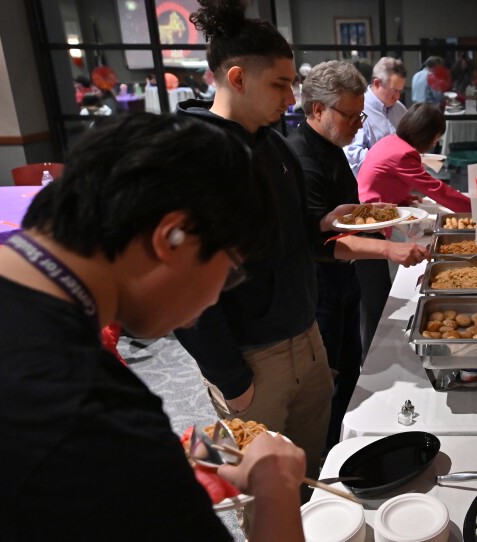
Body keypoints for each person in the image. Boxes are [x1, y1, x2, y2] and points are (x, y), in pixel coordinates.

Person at [0, 113, 307, 541]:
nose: (215, 299)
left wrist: (170, 471)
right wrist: (277, 487)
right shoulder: (92, 414)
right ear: (171, 236)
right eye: (230, 272)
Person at [173, 0, 348, 501]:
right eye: (280, 84)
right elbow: (184, 287)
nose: (292, 98)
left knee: (311, 473)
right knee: (262, 491)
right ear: (237, 78)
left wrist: (323, 224)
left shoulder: (273, 144)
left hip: (305, 337)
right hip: (252, 359)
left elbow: (289, 237)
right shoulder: (194, 156)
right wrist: (230, 378)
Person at [285, 60, 429, 449]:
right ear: (318, 109)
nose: (357, 124)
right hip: (319, 290)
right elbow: (322, 241)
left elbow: (343, 216)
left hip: (344, 281)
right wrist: (389, 248)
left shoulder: (332, 147)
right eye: (350, 115)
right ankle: (330, 456)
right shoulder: (302, 158)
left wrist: (378, 211)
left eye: (360, 115)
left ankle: (345, 444)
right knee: (328, 383)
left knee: (351, 369)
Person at [358, 102, 471, 213]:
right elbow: (435, 188)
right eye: (436, 138)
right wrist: (474, 208)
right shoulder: (404, 154)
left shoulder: (390, 140)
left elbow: (384, 183)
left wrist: (403, 198)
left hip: (367, 206)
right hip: (374, 215)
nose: (434, 144)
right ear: (425, 135)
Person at [344, 56, 408, 175]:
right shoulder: (358, 109)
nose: (397, 96)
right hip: (370, 181)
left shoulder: (401, 109)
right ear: (377, 83)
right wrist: (390, 159)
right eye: (393, 90)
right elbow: (353, 156)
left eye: (400, 91)